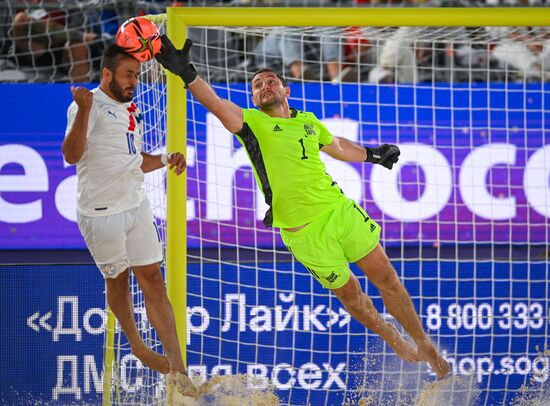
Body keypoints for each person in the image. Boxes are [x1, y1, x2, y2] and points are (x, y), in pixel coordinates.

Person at [155, 36, 451, 379]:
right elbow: (216, 103)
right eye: (257, 85)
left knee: (387, 277)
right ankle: (391, 336)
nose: (264, 86)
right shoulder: (251, 123)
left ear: (286, 90)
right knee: (352, 296)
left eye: (271, 81)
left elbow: (338, 146)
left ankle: (422, 341)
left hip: (338, 210)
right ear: (253, 97)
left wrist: (373, 155)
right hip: (304, 233)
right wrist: (187, 73)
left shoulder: (308, 121)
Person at [61, 43, 197, 402]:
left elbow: (131, 160)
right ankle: (136, 345)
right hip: (101, 214)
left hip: (136, 205)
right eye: (127, 75)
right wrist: (86, 111)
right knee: (118, 281)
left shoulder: (128, 108)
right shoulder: (84, 105)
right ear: (106, 75)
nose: (133, 81)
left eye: (136, 76)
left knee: (153, 279)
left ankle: (179, 370)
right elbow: (71, 156)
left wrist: (166, 158)